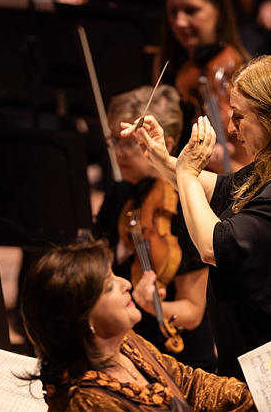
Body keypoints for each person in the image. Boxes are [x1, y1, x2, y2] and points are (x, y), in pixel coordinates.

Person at [120, 54, 271, 382]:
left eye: (239, 117)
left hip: (266, 366)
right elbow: (219, 189)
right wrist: (161, 159)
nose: (232, 129)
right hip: (244, 357)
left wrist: (189, 172)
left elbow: (213, 245)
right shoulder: (268, 166)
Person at [21, 237, 256, 411]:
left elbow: (189, 383)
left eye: (115, 275)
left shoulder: (126, 343)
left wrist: (254, 398)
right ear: (83, 316)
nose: (125, 283)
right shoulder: (88, 402)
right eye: (109, 286)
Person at [93, 84, 217, 373]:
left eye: (130, 143)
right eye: (115, 141)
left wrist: (154, 307)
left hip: (177, 362)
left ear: (166, 145)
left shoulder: (187, 209)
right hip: (124, 349)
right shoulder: (118, 193)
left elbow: (193, 311)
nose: (119, 153)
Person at [154, 0, 253, 173]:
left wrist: (223, 164)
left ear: (218, 11)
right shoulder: (165, 66)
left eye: (191, 10)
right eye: (173, 12)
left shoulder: (237, 72)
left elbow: (251, 173)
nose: (179, 22)